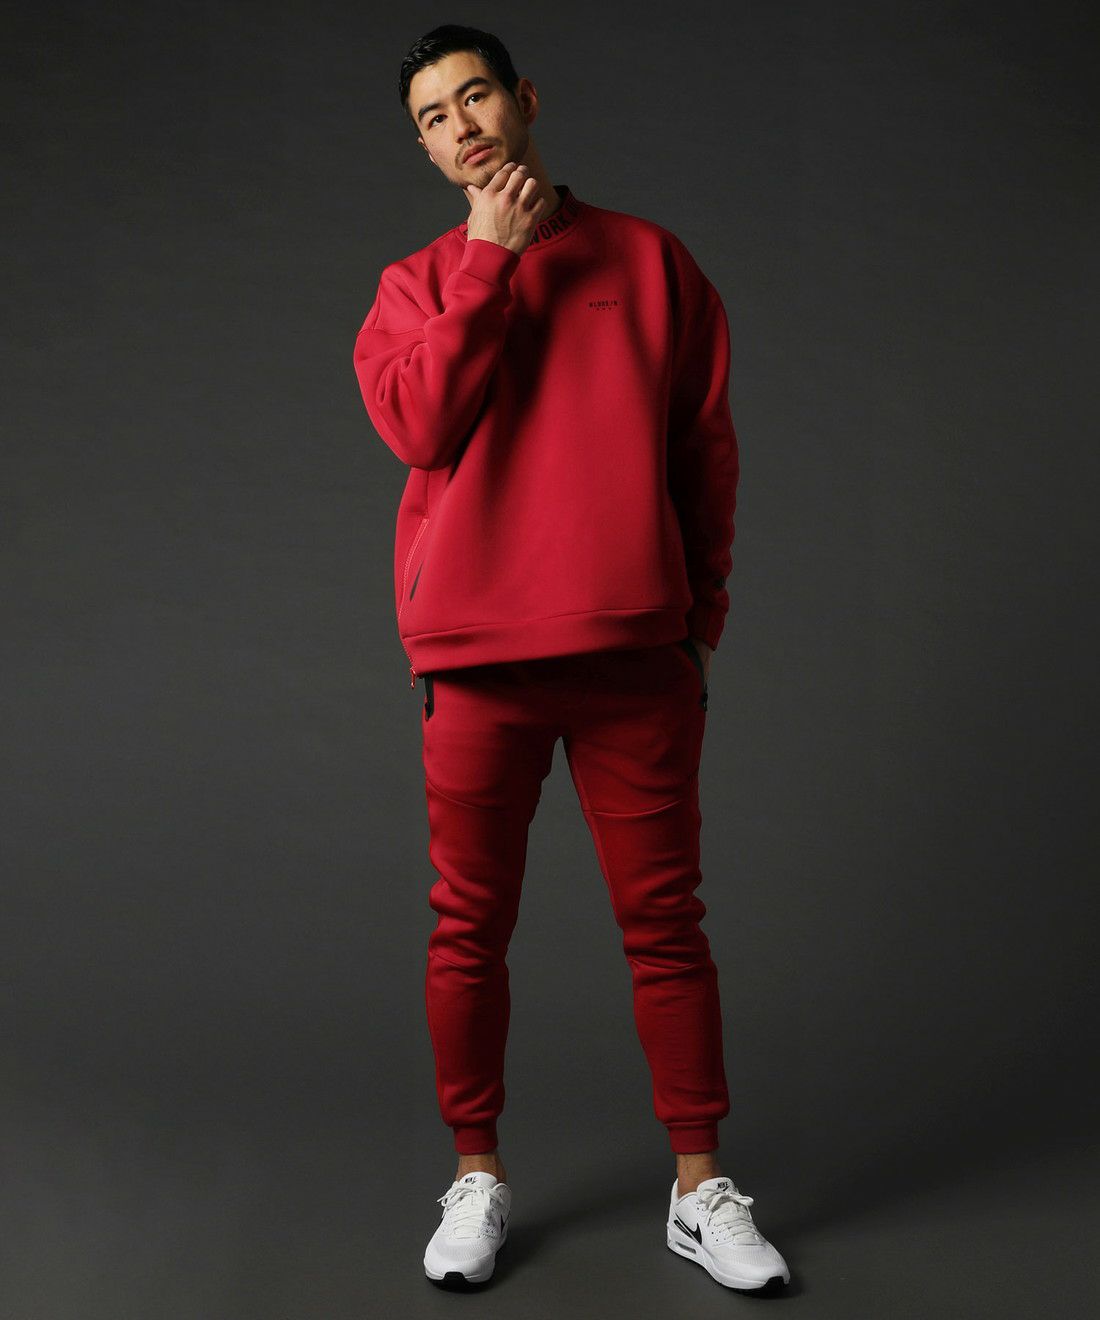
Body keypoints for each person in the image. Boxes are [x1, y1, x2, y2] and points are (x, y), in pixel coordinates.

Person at [352, 23, 791, 1294]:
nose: (460, 126)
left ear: (524, 98)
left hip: (632, 656)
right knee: (466, 928)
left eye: (474, 96)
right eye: (432, 117)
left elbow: (703, 451)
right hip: (474, 659)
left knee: (665, 925)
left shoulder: (648, 261)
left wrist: (697, 622)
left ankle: (699, 1187)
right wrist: (487, 263)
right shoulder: (413, 284)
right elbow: (419, 423)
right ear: (424, 146)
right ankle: (475, 1174)